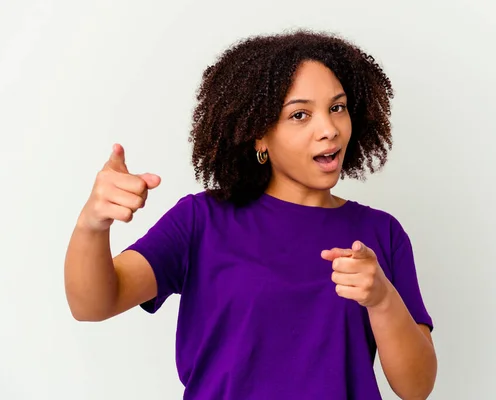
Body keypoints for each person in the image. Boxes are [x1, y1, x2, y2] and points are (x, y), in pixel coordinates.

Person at [64, 29, 437, 400]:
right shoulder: (202, 221)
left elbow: (416, 387)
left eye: (337, 108)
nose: (329, 129)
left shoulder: (380, 234)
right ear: (259, 135)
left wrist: (383, 300)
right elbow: (93, 304)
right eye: (300, 115)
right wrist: (92, 224)